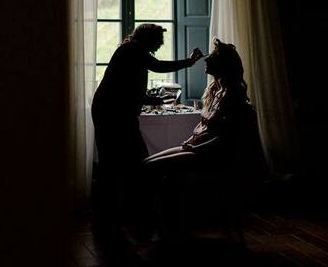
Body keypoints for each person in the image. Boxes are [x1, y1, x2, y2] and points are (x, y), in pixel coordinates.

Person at [141, 38, 265, 243]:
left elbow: (226, 138)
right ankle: (165, 223)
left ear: (223, 66)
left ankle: (166, 226)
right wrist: (190, 141)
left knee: (152, 169)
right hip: (198, 146)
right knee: (146, 164)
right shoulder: (216, 90)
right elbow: (206, 127)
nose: (206, 59)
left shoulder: (233, 96)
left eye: (212, 57)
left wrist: (194, 146)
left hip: (213, 154)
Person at [90, 23, 203, 233]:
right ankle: (127, 217)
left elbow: (125, 86)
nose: (161, 44)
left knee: (116, 161)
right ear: (149, 38)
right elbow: (158, 67)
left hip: (112, 110)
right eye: (159, 40)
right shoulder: (134, 50)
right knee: (128, 160)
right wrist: (189, 62)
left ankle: (114, 216)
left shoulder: (130, 50)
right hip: (113, 113)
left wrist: (148, 98)